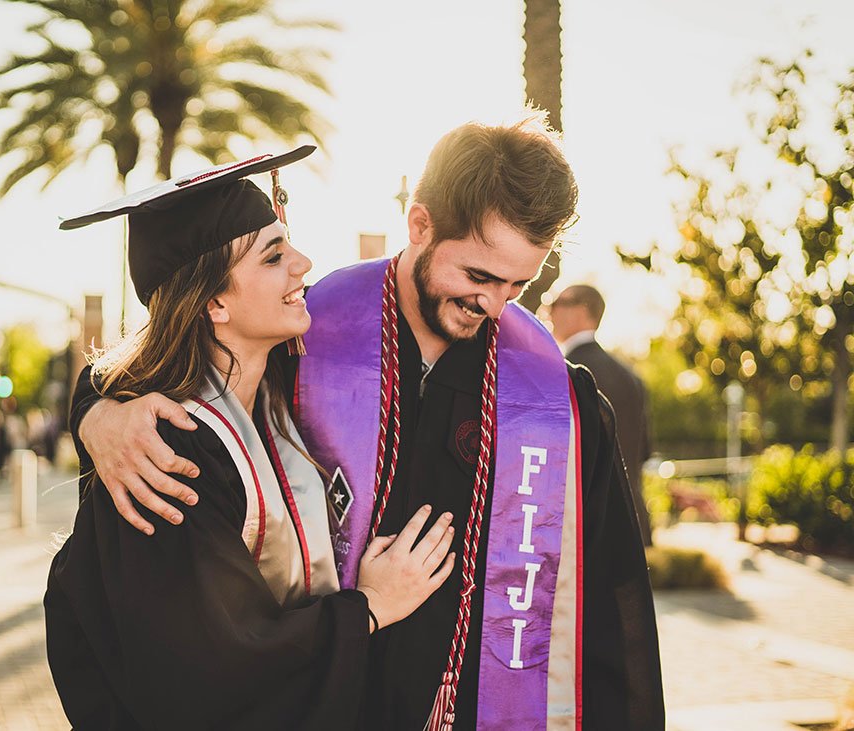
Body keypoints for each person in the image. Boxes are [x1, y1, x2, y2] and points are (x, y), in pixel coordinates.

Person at [71, 119, 665, 729]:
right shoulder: (305, 336)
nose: (494, 305)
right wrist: (96, 413)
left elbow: (610, 608)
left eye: (519, 284)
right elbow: (167, 361)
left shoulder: (556, 400)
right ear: (420, 225)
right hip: (318, 701)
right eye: (478, 276)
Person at [45, 148, 457, 730]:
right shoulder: (168, 453)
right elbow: (213, 667)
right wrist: (368, 609)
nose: (304, 264)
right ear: (214, 301)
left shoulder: (282, 388)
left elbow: (107, 378)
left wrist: (92, 409)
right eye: (274, 257)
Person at [548, 284, 654, 546]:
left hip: (578, 528)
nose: (548, 311)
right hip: (629, 522)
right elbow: (644, 451)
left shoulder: (562, 373)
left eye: (555, 303)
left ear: (581, 311)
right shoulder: (631, 378)